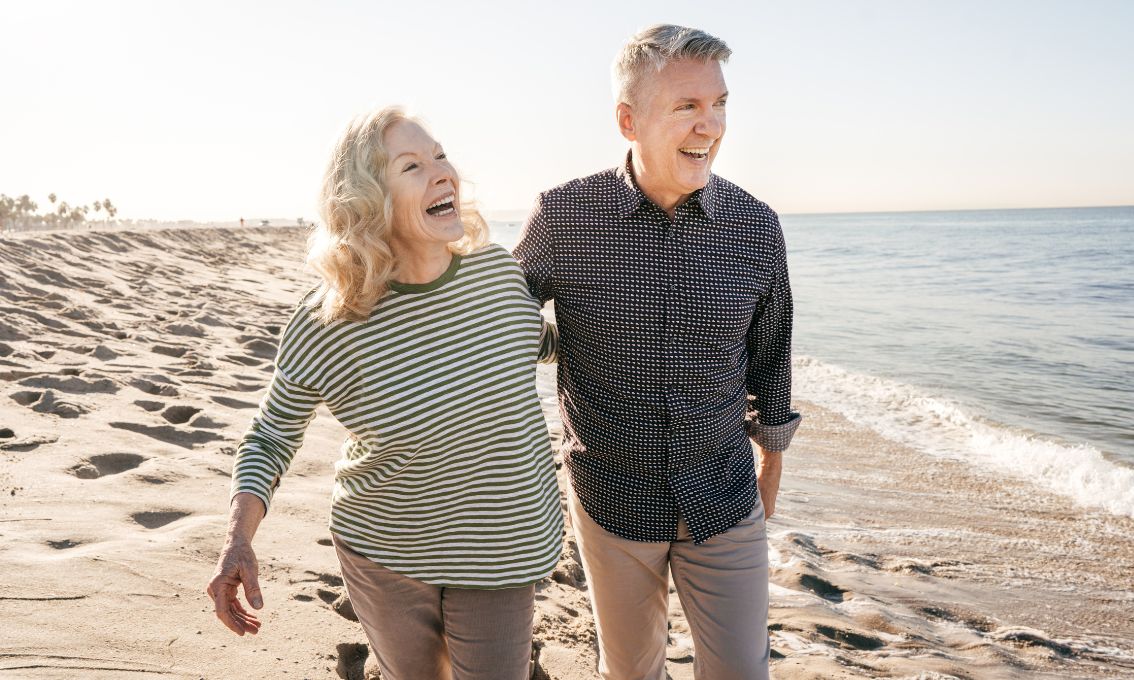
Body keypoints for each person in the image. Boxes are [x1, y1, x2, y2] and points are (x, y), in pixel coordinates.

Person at [206, 106, 563, 680]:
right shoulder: (331, 319)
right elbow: (271, 436)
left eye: (441, 155)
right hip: (385, 553)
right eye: (413, 166)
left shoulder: (499, 273)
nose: (442, 172)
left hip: (501, 546)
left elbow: (545, 343)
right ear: (368, 198)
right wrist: (237, 539)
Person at [513, 24, 801, 680]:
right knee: (631, 672)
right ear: (628, 120)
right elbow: (497, 324)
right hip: (611, 499)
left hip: (724, 495)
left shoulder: (756, 228)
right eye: (687, 107)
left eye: (720, 104)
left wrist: (770, 475)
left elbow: (771, 359)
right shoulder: (563, 218)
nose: (711, 125)